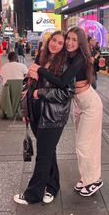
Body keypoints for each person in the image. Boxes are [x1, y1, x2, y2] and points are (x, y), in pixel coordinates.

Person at [29, 27, 103, 197]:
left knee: (85, 144)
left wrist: (40, 70)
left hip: (89, 103)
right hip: (78, 103)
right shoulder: (69, 56)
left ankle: (94, 180)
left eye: (74, 40)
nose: (69, 43)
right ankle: (87, 178)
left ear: (81, 42)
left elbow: (62, 82)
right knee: (83, 143)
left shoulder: (80, 58)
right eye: (68, 39)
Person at [14, 31, 74, 205]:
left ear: (64, 47)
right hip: (37, 113)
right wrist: (26, 111)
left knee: (43, 154)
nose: (55, 44)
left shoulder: (65, 64)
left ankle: (33, 194)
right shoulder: (42, 58)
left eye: (60, 43)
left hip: (53, 116)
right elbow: (28, 85)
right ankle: (52, 186)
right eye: (53, 40)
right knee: (49, 152)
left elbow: (67, 92)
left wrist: (40, 93)